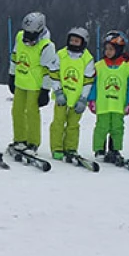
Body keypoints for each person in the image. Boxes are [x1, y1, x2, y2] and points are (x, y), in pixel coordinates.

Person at [7, 12, 60, 159]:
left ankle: (32, 142)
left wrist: (45, 90)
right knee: (17, 111)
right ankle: (19, 139)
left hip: (35, 85)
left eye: (31, 34)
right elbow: (14, 57)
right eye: (26, 32)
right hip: (20, 82)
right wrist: (11, 75)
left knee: (31, 113)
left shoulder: (46, 46)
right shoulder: (19, 37)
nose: (27, 37)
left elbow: (48, 70)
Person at [89, 31, 129, 164]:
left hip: (118, 105)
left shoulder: (128, 67)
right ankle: (99, 149)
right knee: (101, 127)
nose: (108, 52)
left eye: (111, 49)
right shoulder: (99, 66)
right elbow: (93, 84)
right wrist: (92, 100)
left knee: (117, 128)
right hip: (103, 104)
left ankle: (115, 149)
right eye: (106, 49)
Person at [49, 27, 94, 161]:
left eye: (77, 41)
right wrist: (58, 91)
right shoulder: (61, 54)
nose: (74, 43)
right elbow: (54, 73)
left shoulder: (87, 58)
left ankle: (70, 147)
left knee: (73, 124)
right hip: (62, 95)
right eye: (72, 40)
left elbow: (88, 81)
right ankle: (56, 147)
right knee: (58, 122)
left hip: (77, 97)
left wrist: (83, 99)